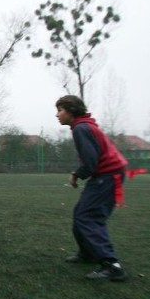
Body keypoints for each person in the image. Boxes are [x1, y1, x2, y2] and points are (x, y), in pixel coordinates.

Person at [56, 95, 128, 281]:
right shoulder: (83, 125)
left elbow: (90, 161)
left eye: (60, 110)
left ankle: (112, 265)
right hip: (108, 174)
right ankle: (87, 253)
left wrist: (75, 175)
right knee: (81, 212)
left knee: (88, 216)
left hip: (108, 175)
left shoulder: (81, 128)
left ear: (71, 111)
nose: (57, 115)